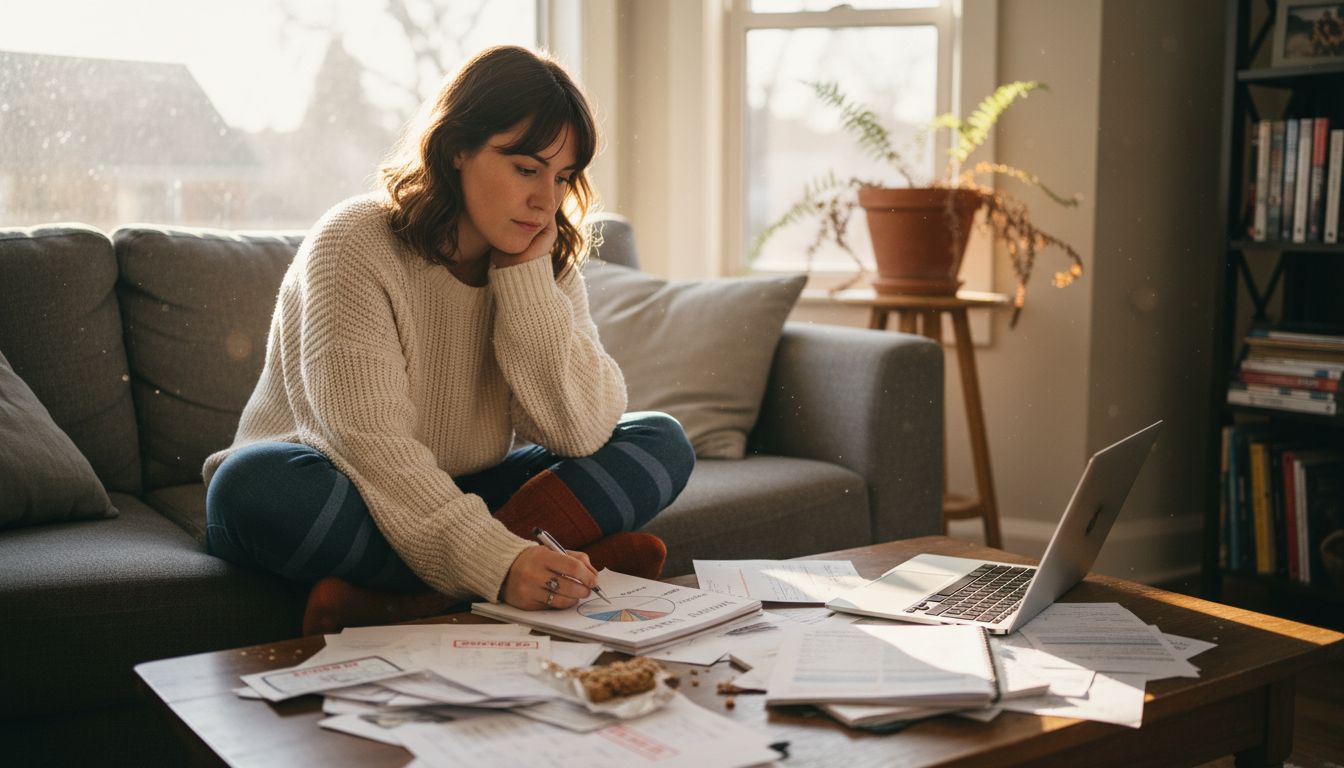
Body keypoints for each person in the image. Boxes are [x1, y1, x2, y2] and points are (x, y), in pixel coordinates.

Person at [202, 45, 694, 635]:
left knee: (660, 442)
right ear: (457, 147)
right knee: (254, 487)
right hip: (342, 479)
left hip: (465, 487)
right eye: (526, 168)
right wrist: (502, 560)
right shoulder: (354, 244)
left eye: (563, 177)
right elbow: (372, 448)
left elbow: (580, 431)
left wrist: (525, 283)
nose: (547, 201)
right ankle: (516, 577)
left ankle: (400, 602)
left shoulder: (543, 261)